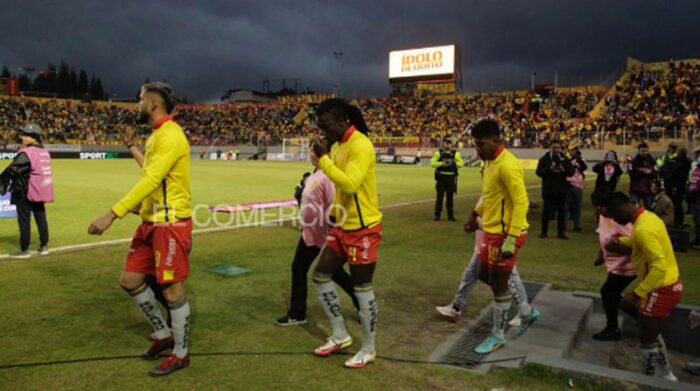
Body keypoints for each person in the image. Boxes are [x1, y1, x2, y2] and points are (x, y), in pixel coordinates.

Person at [87, 82, 192, 376]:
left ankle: (181, 354)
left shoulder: (171, 135)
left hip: (170, 223)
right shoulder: (158, 135)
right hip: (150, 222)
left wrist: (113, 213)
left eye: (140, 99)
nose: (137, 104)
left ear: (154, 104)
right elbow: (153, 175)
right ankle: (163, 333)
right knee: (130, 279)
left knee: (172, 292)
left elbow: (151, 179)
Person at [309, 99, 382, 368]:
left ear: (342, 121)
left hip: (363, 229)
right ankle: (340, 334)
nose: (322, 131)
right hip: (342, 226)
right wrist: (334, 214)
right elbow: (339, 186)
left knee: (362, 290)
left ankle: (369, 347)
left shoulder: (361, 145)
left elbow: (350, 184)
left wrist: (324, 161)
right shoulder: (338, 144)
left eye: (325, 126)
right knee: (320, 275)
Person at [464, 118, 538, 354]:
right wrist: (475, 215)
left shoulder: (507, 165)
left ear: (496, 141)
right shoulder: (488, 163)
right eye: (475, 145)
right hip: (491, 230)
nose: (478, 149)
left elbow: (521, 201)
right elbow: (490, 196)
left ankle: (498, 335)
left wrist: (511, 238)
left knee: (498, 284)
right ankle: (526, 312)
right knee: (483, 274)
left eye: (482, 144)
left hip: (507, 233)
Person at [603, 192, 681, 380]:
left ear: (620, 208)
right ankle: (667, 376)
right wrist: (621, 242)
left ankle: (648, 381)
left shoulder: (643, 229)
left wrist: (637, 293)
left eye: (614, 216)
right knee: (651, 333)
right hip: (668, 284)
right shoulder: (649, 218)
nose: (616, 221)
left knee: (647, 338)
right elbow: (640, 243)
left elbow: (659, 266)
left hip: (661, 288)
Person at [436, 196, 539, 333]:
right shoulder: (490, 188)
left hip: (499, 242)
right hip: (485, 242)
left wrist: (477, 224)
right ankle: (456, 308)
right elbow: (485, 210)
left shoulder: (504, 187)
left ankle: (523, 312)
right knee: (472, 275)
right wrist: (473, 218)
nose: (483, 174)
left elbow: (500, 219)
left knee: (507, 278)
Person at [276, 167, 358, 326]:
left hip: (324, 234)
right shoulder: (315, 173)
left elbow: (334, 205)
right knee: (299, 268)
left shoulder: (328, 176)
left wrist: (332, 231)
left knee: (334, 272)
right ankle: (297, 313)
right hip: (311, 233)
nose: (311, 153)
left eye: (314, 150)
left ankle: (363, 305)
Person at [0, 124, 53, 258]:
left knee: (24, 220)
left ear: (34, 137)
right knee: (41, 218)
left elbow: (12, 169)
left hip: (25, 191)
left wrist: (2, 182)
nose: (22, 137)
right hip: (40, 190)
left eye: (26, 135)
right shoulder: (44, 152)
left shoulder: (27, 153)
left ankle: (24, 249)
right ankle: (44, 246)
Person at [590, 188, 635, 341]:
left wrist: (618, 247)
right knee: (611, 294)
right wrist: (599, 256)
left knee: (608, 292)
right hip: (615, 266)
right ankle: (636, 316)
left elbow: (636, 243)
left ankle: (613, 328)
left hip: (627, 266)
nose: (600, 210)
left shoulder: (619, 219)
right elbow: (604, 238)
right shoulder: (603, 217)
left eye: (603, 207)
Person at [536, 140, 574, 239]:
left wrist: (563, 170)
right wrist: (549, 169)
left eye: (558, 147)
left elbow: (571, 172)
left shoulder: (564, 159)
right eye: (554, 147)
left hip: (561, 190)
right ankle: (544, 232)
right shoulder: (544, 159)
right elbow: (539, 172)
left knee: (561, 212)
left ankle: (561, 232)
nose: (556, 150)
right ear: (550, 147)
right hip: (548, 190)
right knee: (546, 211)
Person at [431, 138, 464, 221]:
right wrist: (441, 163)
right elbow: (432, 163)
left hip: (451, 178)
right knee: (439, 198)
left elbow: (461, 163)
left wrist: (455, 163)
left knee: (450, 198)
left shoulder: (456, 154)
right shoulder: (439, 153)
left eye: (449, 143)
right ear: (444, 144)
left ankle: (450, 216)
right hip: (441, 178)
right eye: (446, 143)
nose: (448, 145)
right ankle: (437, 216)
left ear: (451, 145)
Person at [660, 147, 691, 226]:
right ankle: (678, 220)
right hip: (680, 185)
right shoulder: (686, 162)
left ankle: (676, 221)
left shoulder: (679, 163)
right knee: (678, 204)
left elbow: (673, 173)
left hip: (675, 185)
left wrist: (666, 174)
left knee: (675, 204)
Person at [628, 142, 656, 209]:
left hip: (648, 189)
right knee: (633, 208)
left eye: (646, 151)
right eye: (642, 151)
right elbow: (631, 173)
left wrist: (650, 172)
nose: (644, 153)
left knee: (649, 208)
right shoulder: (633, 162)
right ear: (638, 151)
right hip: (636, 189)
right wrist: (644, 172)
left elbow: (656, 173)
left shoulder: (652, 161)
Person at [565, 147, 587, 232]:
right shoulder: (568, 160)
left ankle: (577, 225)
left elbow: (584, 167)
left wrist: (579, 159)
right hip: (568, 184)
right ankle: (564, 224)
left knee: (577, 207)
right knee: (566, 207)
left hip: (578, 185)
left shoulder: (582, 160)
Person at [688, 148, 700, 247]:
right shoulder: (695, 168)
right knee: (696, 220)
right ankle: (697, 238)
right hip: (694, 199)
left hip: (698, 198)